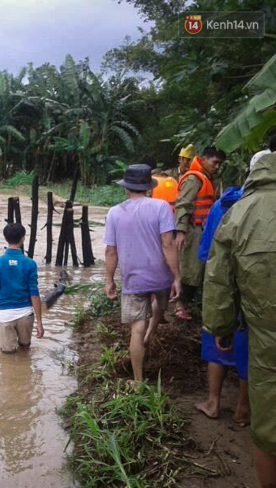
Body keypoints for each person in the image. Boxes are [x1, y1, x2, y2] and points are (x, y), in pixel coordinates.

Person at [203, 154, 276, 488]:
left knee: (269, 428)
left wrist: (220, 326)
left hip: (265, 339)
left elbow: (218, 278)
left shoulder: (239, 212)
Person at [104, 164, 181, 386]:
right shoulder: (162, 207)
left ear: (126, 188)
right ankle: (152, 332)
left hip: (133, 279)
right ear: (149, 187)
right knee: (159, 305)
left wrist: (109, 281)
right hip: (161, 276)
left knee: (136, 329)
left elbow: (111, 251)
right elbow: (168, 245)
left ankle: (138, 381)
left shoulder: (114, 212)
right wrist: (177, 277)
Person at [194, 186, 249, 426]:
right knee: (250, 346)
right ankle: (243, 408)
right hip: (255, 287)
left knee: (217, 339)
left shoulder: (221, 204)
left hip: (220, 283)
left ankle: (213, 403)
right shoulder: (266, 204)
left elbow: (205, 252)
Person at [173, 146, 225, 320]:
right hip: (193, 230)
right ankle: (179, 305)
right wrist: (180, 231)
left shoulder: (208, 179)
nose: (217, 167)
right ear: (203, 159)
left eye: (220, 164)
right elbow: (183, 205)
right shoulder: (194, 179)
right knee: (189, 269)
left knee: (198, 269)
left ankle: (188, 304)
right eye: (215, 162)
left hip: (204, 230)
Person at [0, 223, 43, 353]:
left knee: (7, 357)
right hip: (26, 315)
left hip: (5, 315)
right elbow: (34, 294)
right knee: (25, 351)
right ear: (23, 239)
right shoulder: (30, 263)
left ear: (6, 239)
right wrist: (40, 322)